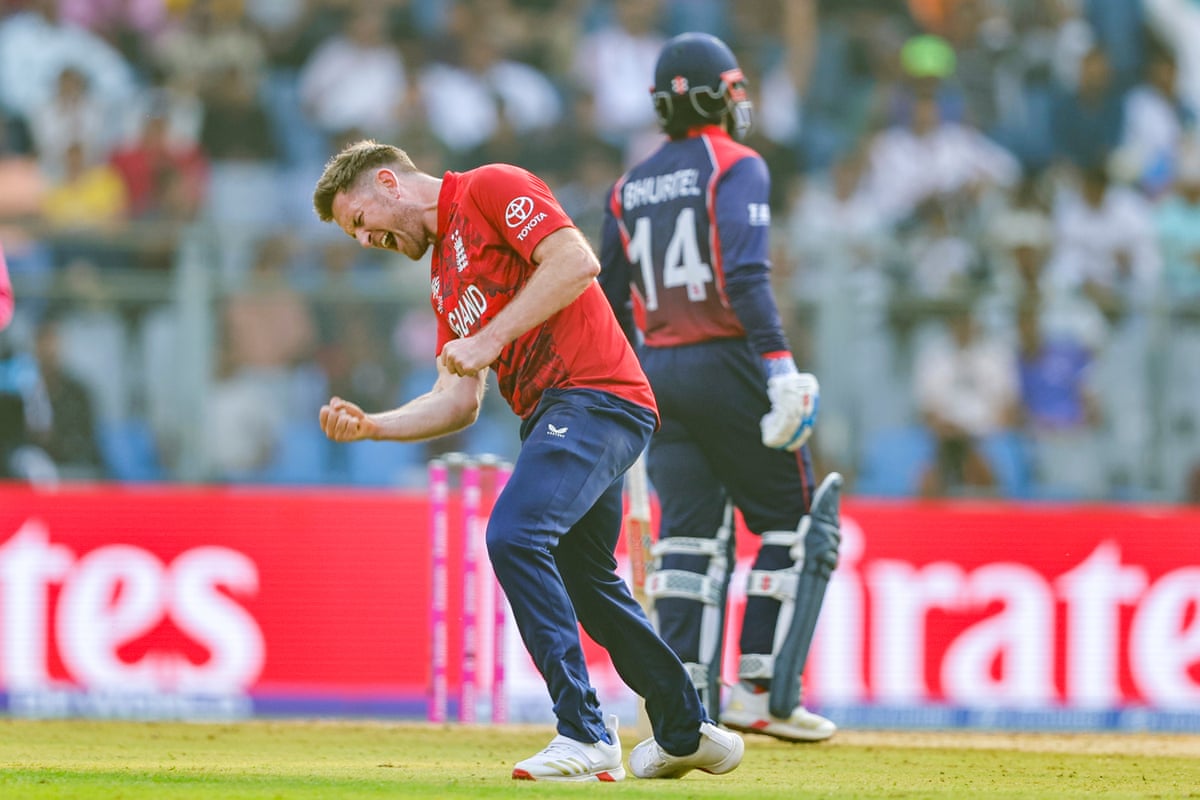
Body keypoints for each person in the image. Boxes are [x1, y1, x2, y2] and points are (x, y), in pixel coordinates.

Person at [310, 139, 744, 781]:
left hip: (598, 396)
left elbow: (574, 260)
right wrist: (376, 427)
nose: (363, 239)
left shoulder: (489, 186)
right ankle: (688, 730)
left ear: (388, 184)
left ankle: (586, 732)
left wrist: (488, 337)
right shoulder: (442, 279)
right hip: (560, 415)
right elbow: (456, 399)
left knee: (514, 535)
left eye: (359, 221)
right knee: (587, 579)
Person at [598, 32, 842, 744]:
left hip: (657, 369)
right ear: (711, 96)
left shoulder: (627, 186)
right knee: (794, 523)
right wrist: (779, 363)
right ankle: (764, 688)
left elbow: (608, 302)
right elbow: (745, 275)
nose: (741, 101)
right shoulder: (736, 166)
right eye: (733, 88)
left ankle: (688, 709)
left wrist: (617, 386)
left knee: (688, 542)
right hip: (729, 360)